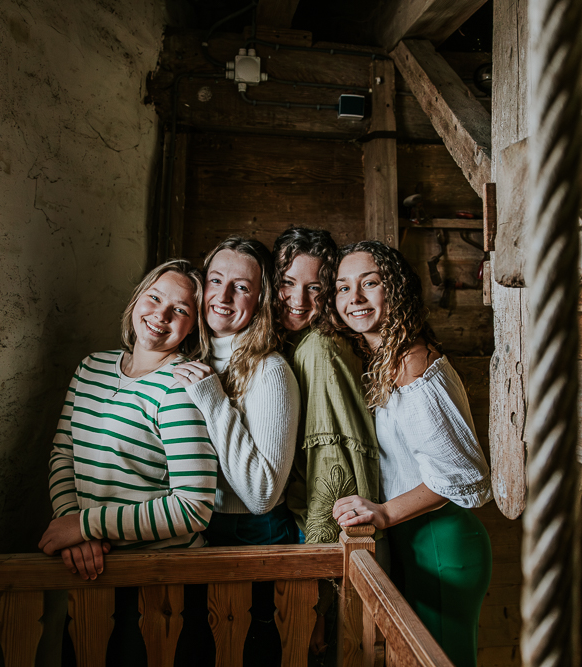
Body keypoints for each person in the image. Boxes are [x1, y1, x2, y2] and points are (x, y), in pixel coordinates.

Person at [39, 259, 217, 666]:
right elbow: (63, 452)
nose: (161, 314)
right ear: (136, 299)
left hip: (161, 588)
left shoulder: (179, 388)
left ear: (193, 328)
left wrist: (85, 525)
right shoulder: (90, 368)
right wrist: (73, 525)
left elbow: (194, 507)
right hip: (92, 570)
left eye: (181, 310)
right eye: (154, 297)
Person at [331, 241, 492, 667]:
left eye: (370, 283)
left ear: (396, 289)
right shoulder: (384, 360)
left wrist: (382, 514)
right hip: (414, 541)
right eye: (343, 288)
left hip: (442, 541)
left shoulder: (412, 364)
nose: (355, 298)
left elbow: (461, 477)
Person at [172, 236, 299, 665]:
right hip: (194, 532)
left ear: (261, 299)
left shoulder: (271, 371)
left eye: (241, 287)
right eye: (215, 280)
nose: (223, 296)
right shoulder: (187, 355)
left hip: (254, 537)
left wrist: (213, 401)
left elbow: (261, 496)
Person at [273, 227, 381, 656]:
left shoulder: (317, 350)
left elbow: (331, 474)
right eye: (287, 283)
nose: (298, 300)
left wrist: (315, 596)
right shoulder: (295, 345)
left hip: (326, 548)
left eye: (314, 288)